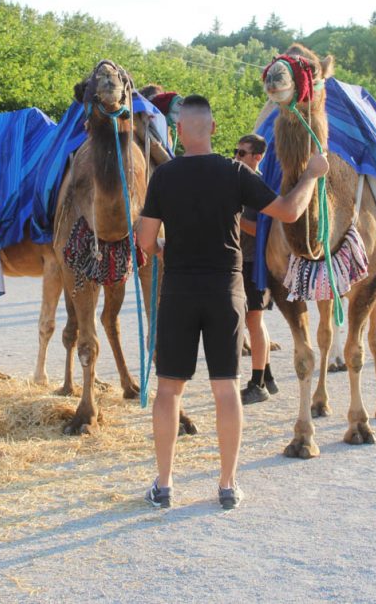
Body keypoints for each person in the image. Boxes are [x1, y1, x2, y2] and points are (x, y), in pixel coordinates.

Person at [137, 95, 329, 510]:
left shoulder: (164, 176)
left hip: (179, 291)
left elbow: (145, 241)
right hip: (226, 291)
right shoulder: (235, 172)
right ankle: (226, 486)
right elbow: (288, 212)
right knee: (225, 388)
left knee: (169, 389)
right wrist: (312, 176)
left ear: (179, 132)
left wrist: (165, 249)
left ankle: (164, 485)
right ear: (214, 128)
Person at [234, 133, 278, 405]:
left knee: (253, 323)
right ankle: (267, 377)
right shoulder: (242, 183)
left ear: (257, 157)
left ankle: (257, 383)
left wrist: (234, 217)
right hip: (243, 262)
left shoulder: (259, 187)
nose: (236, 157)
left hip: (254, 264)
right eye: (236, 151)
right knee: (255, 322)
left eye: (242, 153)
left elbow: (264, 230)